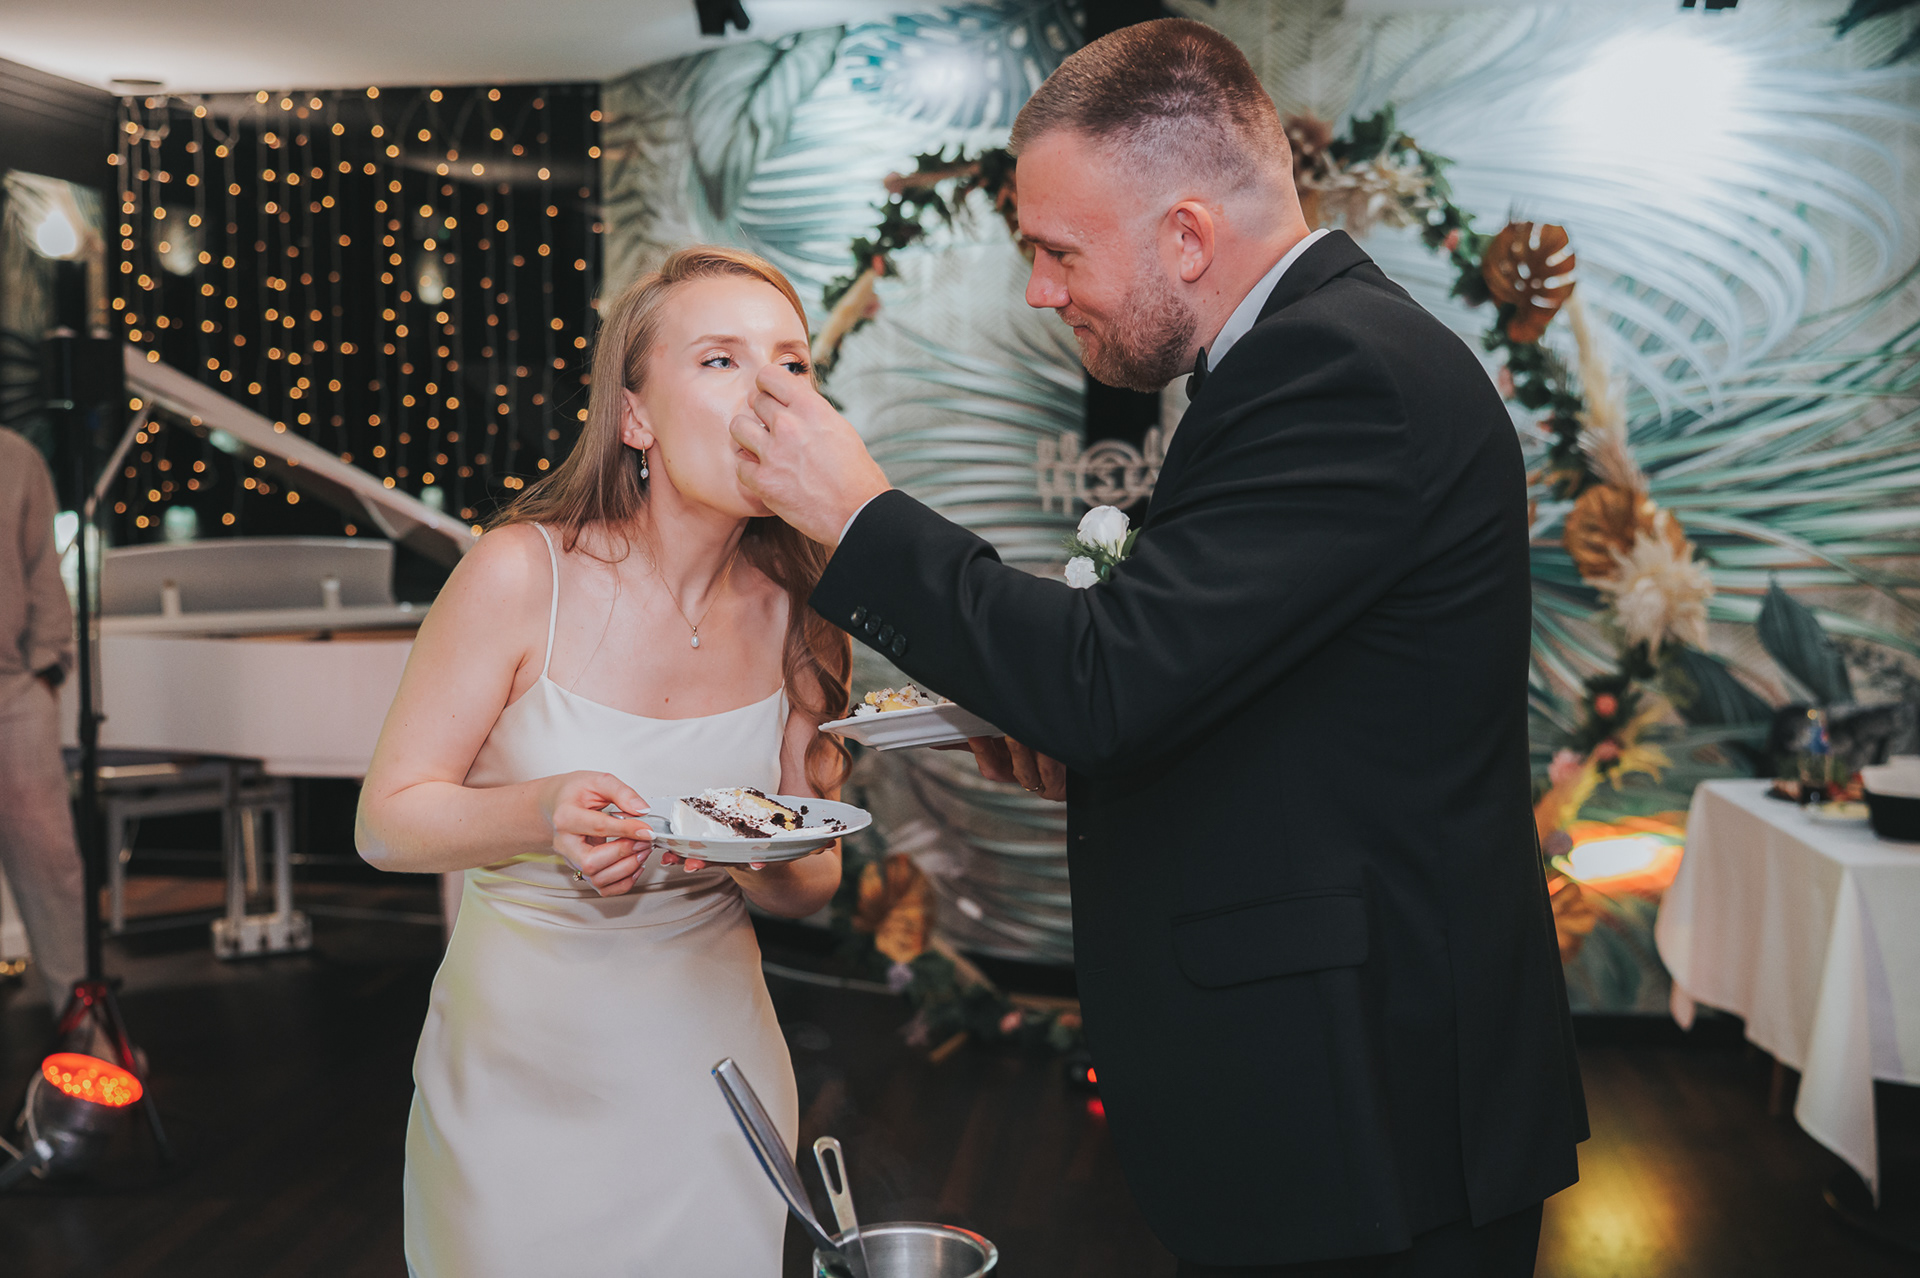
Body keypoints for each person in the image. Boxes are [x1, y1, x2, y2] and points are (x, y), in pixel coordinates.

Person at [728, 19, 1586, 1278]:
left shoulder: (1338, 369)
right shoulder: (1309, 355)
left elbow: (1109, 678)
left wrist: (855, 512)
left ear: (1187, 235)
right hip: (1343, 1091)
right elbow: (1245, 688)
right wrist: (1086, 739)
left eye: (1056, 250)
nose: (1041, 288)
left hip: (1372, 1110)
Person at [355, 246, 850, 1277]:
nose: (769, 391)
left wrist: (751, 856)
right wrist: (539, 813)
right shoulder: (518, 572)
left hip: (715, 1088)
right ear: (634, 418)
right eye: (720, 360)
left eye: (792, 363)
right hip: (518, 1091)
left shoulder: (807, 613)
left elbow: (814, 880)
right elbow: (386, 822)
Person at [0, 426, 85, 1010]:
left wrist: (45, 670)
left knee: (52, 866)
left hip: (11, 689)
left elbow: (42, 572)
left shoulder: (14, 456)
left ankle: (81, 1024)